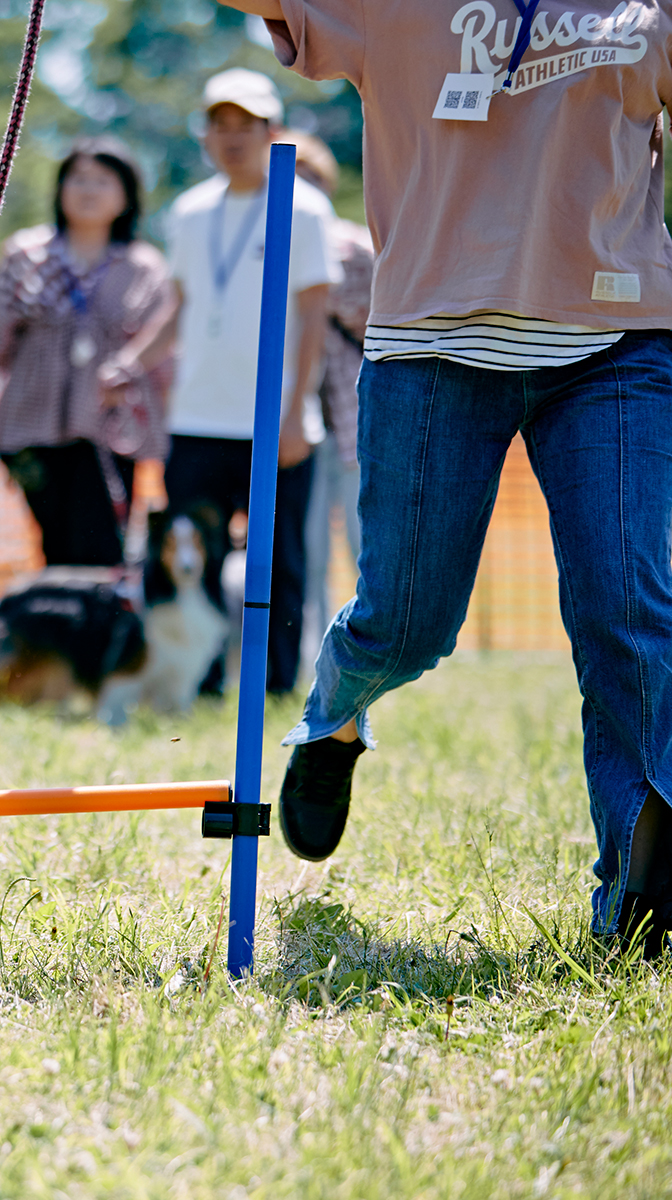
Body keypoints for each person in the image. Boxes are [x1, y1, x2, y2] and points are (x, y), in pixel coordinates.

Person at [228, 0, 672, 957]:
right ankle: (336, 714)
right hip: (431, 346)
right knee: (408, 620)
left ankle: (640, 895)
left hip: (616, 349)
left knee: (628, 609)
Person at [103, 69, 340, 694]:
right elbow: (179, 307)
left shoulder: (305, 206)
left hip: (277, 423)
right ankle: (197, 683)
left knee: (279, 562)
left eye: (247, 125)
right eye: (220, 125)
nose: (232, 138)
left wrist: (296, 415)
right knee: (192, 559)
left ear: (273, 132)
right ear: (205, 134)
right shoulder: (190, 210)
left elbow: (314, 315)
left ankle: (279, 686)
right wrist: (131, 361)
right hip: (197, 418)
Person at [0, 136, 175, 567]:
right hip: (29, 430)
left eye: (103, 181)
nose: (88, 190)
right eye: (78, 179)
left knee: (103, 549)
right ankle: (59, 630)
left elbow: (164, 357)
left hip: (112, 433)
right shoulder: (27, 254)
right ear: (60, 189)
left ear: (126, 196)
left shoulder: (145, 266)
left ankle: (92, 632)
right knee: (55, 545)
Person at [287, 131, 373, 664]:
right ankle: (311, 659)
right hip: (297, 421)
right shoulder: (261, 248)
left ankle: (363, 657)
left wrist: (318, 294)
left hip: (354, 419)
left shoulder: (354, 245)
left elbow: (375, 325)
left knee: (364, 549)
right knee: (307, 552)